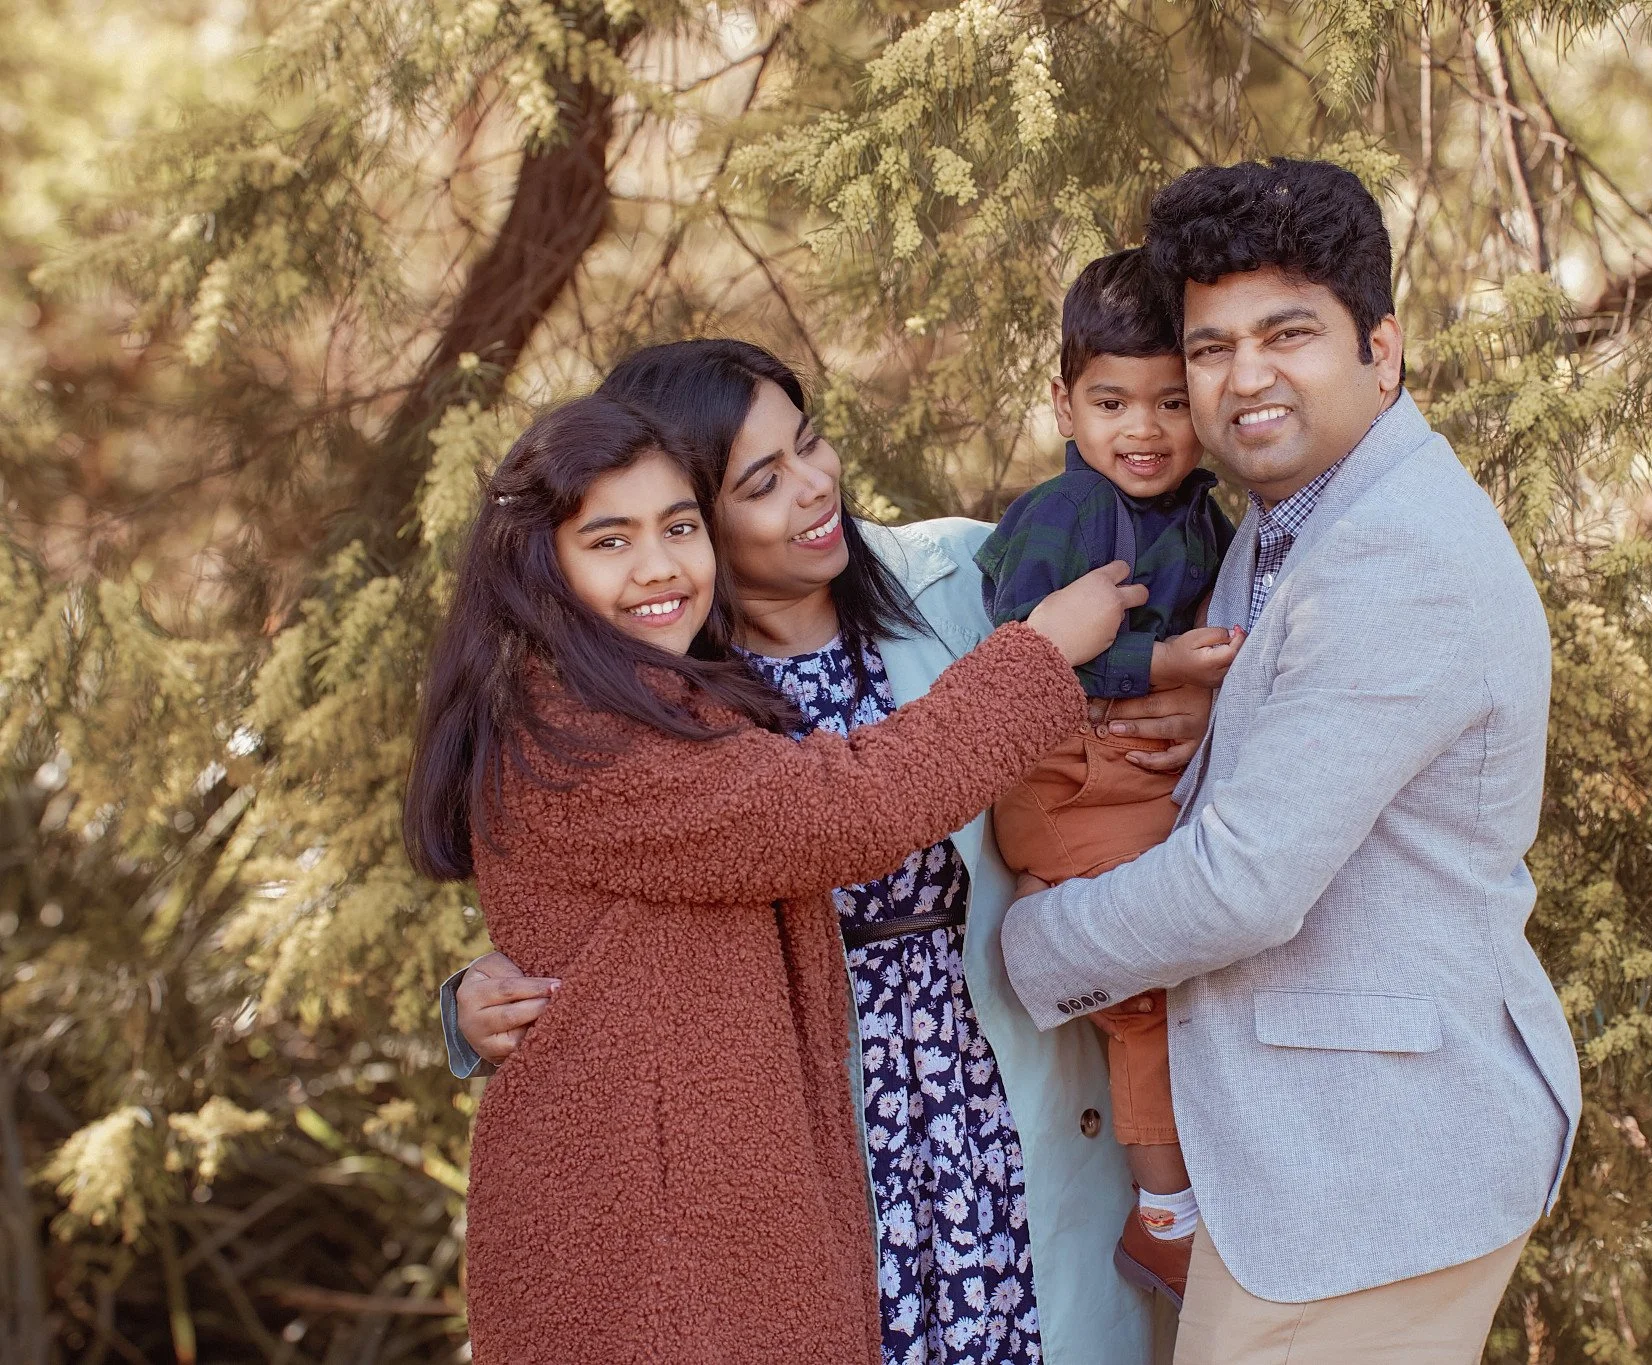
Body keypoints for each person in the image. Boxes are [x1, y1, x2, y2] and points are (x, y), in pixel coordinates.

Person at [441, 340, 1210, 1363]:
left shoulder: (975, 576)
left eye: (808, 444)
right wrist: (467, 1001)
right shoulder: (643, 682)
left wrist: (1187, 711)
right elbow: (614, 896)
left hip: (998, 1071)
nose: (814, 488)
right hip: (817, 1128)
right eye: (761, 483)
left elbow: (1166, 690)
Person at [1000, 158, 1582, 1364]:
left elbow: (1241, 884)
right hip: (1297, 1162)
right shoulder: (1282, 520)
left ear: (1381, 349)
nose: (1241, 377)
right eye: (1208, 348)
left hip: (1367, 1172)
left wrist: (1018, 948)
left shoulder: (1393, 558)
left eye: (1286, 334)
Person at [974, 247, 1242, 1306]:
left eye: (1170, 401)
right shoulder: (1066, 516)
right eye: (1111, 401)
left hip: (1130, 780)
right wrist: (1158, 665)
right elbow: (1024, 654)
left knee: (1209, 952)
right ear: (1063, 406)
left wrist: (1197, 693)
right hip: (1063, 781)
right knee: (1146, 983)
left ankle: (1193, 1187)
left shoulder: (1204, 514)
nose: (1143, 429)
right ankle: (1163, 1217)